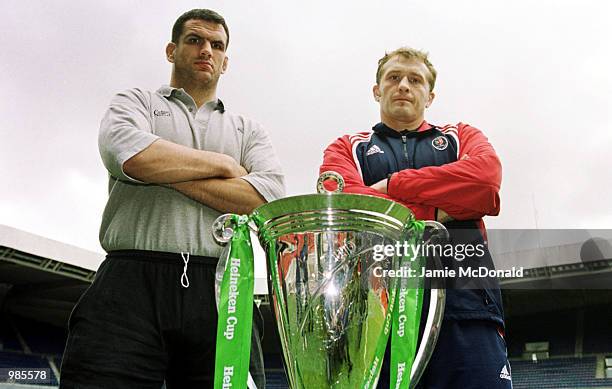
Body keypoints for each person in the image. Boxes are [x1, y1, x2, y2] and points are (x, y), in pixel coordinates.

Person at [60, 9, 284, 389]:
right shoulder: (136, 102)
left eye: (217, 45)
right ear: (171, 49)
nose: (206, 51)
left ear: (226, 61)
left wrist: (164, 173)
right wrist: (224, 165)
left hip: (220, 287)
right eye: (195, 40)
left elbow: (266, 199)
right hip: (131, 279)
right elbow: (128, 155)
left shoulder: (248, 130)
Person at [319, 47, 511, 388]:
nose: (403, 85)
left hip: (466, 309)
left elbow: (485, 180)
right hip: (377, 316)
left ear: (430, 95)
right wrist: (441, 212)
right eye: (393, 78)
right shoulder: (347, 147)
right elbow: (344, 205)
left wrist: (393, 185)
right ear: (377, 90)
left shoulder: (460, 135)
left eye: (415, 80)